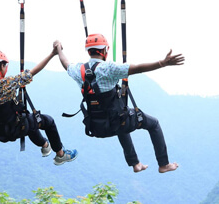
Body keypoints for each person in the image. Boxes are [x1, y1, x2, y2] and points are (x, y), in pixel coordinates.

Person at [54, 34, 185, 173]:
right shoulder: (110, 68)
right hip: (116, 122)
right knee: (153, 124)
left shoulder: (78, 70)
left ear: (88, 51)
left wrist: (59, 49)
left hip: (97, 126)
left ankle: (135, 163)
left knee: (121, 116)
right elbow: (138, 68)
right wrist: (162, 63)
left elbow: (65, 63)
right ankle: (164, 164)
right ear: (105, 50)